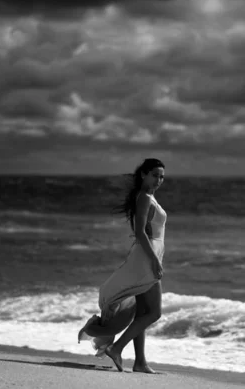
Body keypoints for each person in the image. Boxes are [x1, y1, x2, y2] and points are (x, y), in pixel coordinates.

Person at [78, 158, 167, 373]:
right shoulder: (144, 198)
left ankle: (140, 362)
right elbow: (139, 232)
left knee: (143, 312)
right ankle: (117, 349)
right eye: (155, 175)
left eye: (162, 176)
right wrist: (154, 260)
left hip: (147, 255)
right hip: (146, 257)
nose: (159, 180)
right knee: (154, 313)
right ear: (143, 174)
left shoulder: (149, 197)